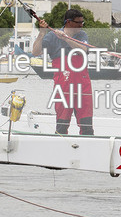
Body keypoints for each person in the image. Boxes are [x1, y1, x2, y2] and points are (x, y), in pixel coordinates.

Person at [35, 8, 94, 136]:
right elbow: (35, 52)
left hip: (83, 87)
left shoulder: (82, 35)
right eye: (78, 22)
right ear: (68, 22)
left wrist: (66, 39)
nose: (81, 25)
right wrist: (42, 33)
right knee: (62, 126)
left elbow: (84, 50)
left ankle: (88, 150)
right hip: (63, 87)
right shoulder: (51, 37)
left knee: (87, 126)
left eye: (82, 22)